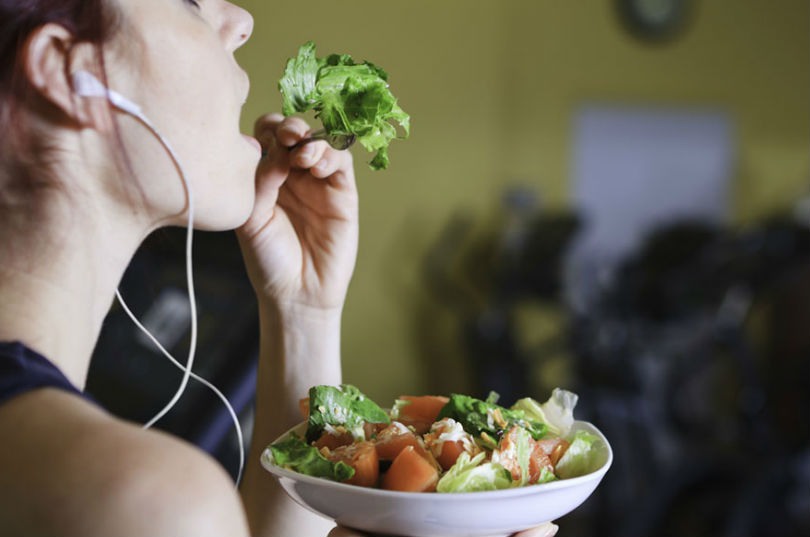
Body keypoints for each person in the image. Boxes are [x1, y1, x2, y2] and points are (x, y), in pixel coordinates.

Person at [0, 1, 559, 536]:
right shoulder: (141, 501)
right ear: (63, 71)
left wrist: (302, 310)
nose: (240, 20)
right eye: (190, 0)